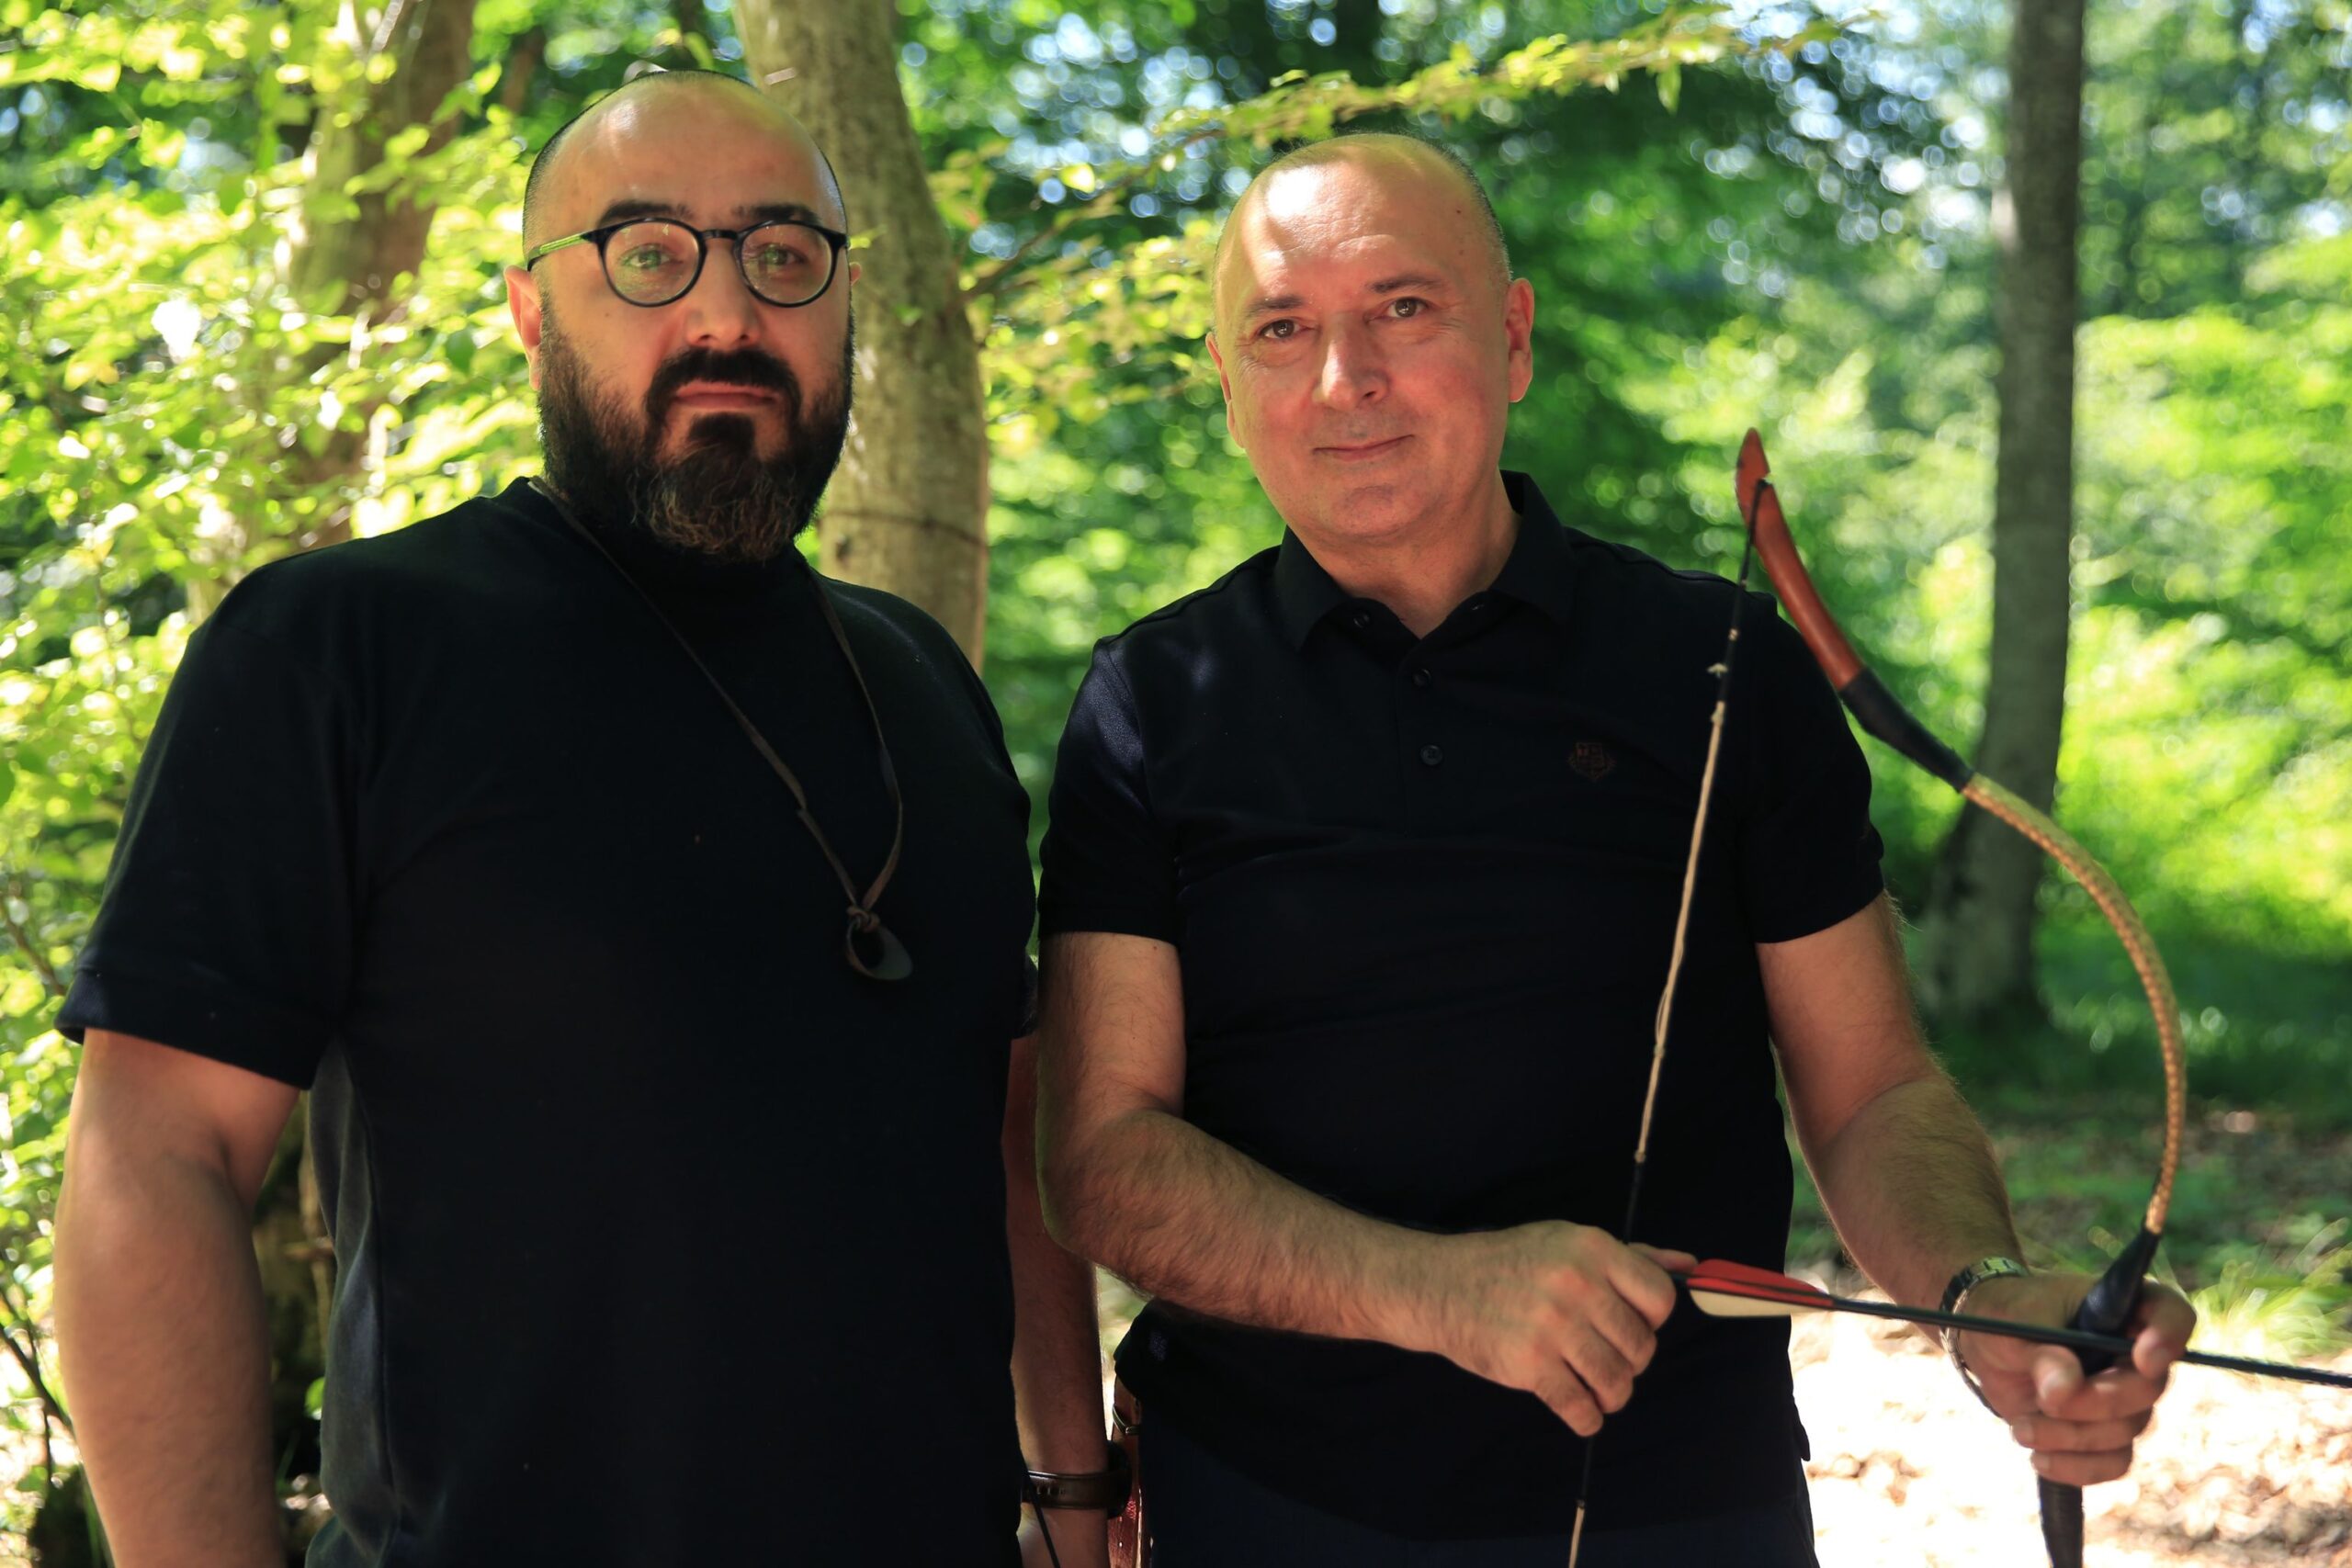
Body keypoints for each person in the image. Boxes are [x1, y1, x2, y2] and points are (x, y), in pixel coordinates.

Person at [1032, 132, 2193, 1566]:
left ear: (1513, 339)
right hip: (1271, 1504)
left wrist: (1985, 1295)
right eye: (1282, 330)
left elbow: (1872, 1090)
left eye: (1403, 308)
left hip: (1682, 1505)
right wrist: (1435, 1293)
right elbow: (1103, 1158)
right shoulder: (1154, 700)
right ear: (1228, 384)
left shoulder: (1719, 664)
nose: (1345, 380)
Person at [55, 70, 1112, 1568]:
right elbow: (154, 1158)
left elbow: (1004, 1120)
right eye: (647, 252)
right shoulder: (340, 647)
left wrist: (1072, 1491)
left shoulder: (924, 683)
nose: (727, 313)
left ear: (845, 305)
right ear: (531, 312)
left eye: (784, 255)